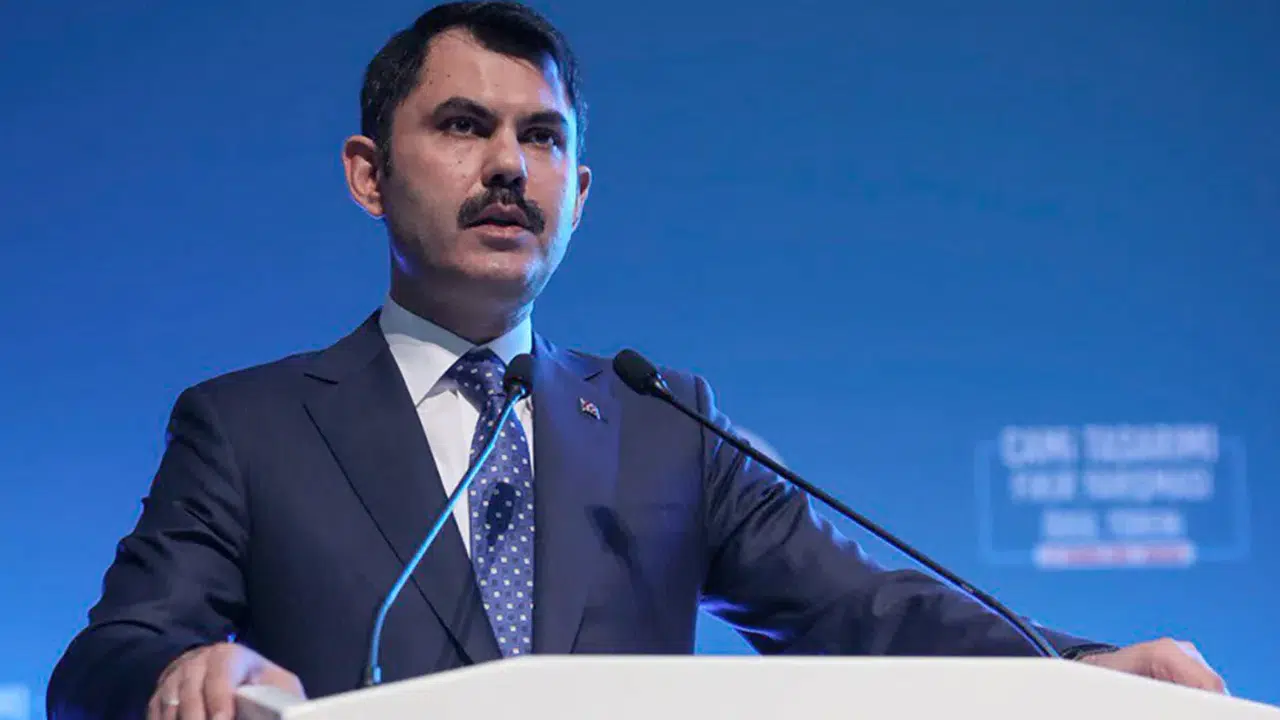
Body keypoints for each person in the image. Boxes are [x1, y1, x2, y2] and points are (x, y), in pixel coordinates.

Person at [47, 2, 1227, 718]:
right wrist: (181, 674)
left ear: (579, 192)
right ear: (368, 173)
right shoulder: (250, 426)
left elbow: (864, 612)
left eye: (540, 138)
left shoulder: (663, 421)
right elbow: (105, 657)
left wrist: (1078, 668)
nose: (507, 166)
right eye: (462, 127)